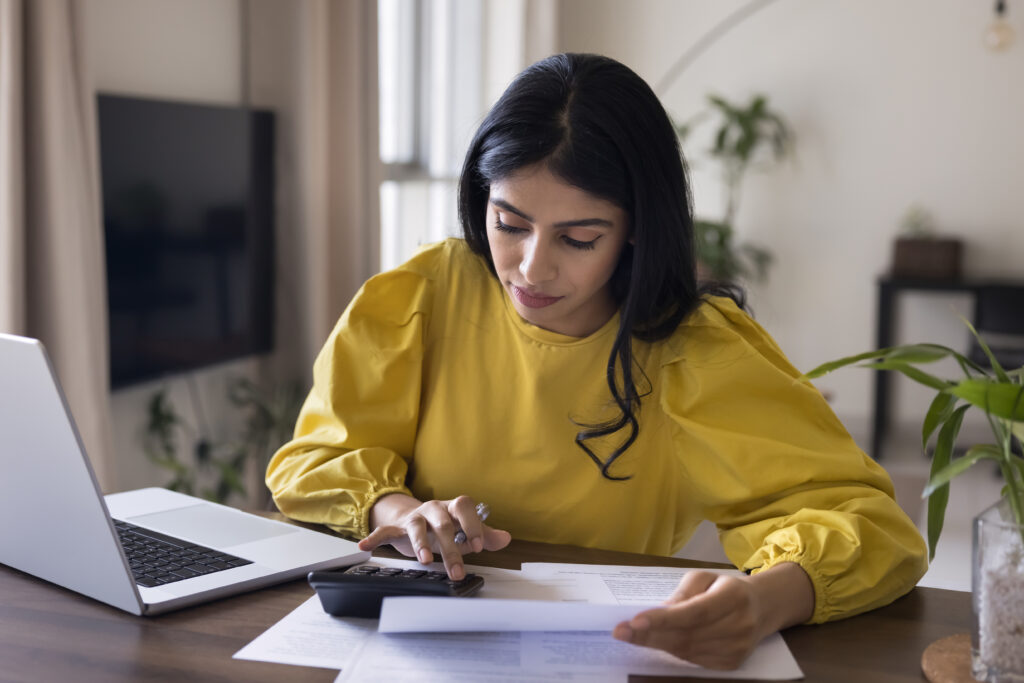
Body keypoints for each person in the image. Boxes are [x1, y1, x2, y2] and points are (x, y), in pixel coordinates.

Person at [266, 53, 927, 669]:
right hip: (413, 647)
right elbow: (312, 458)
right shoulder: (424, 292)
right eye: (509, 222)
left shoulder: (695, 349)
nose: (531, 268)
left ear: (637, 225)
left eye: (578, 237)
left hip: (600, 656)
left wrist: (764, 600)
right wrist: (399, 511)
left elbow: (872, 527)